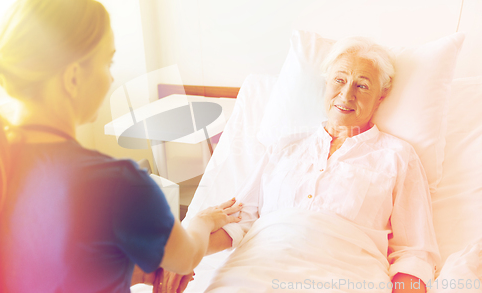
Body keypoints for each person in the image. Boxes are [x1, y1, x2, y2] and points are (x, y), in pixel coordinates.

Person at [0, 0, 242, 293]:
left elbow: (42, 262)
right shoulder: (116, 183)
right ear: (73, 77)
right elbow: (186, 259)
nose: (110, 78)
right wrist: (203, 220)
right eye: (108, 63)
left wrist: (128, 271)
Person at [159, 37, 440, 293]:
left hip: (347, 277)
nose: (346, 94)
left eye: (362, 85)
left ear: (381, 96)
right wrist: (185, 256)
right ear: (326, 85)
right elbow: (237, 219)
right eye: (339, 80)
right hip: (255, 271)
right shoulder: (284, 146)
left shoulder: (398, 156)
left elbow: (414, 252)